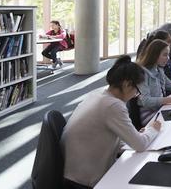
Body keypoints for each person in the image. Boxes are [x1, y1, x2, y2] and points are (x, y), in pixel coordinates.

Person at [61, 55, 161, 188]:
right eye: (137, 91)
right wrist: (153, 129)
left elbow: (101, 136)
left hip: (74, 173)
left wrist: (134, 135)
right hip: (87, 180)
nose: (136, 95)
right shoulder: (113, 105)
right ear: (126, 84)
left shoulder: (98, 94)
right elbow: (141, 145)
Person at [137, 39, 171, 126]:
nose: (168, 58)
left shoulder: (158, 69)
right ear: (154, 55)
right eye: (165, 55)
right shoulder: (142, 73)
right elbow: (145, 101)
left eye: (168, 55)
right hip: (149, 114)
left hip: (160, 109)